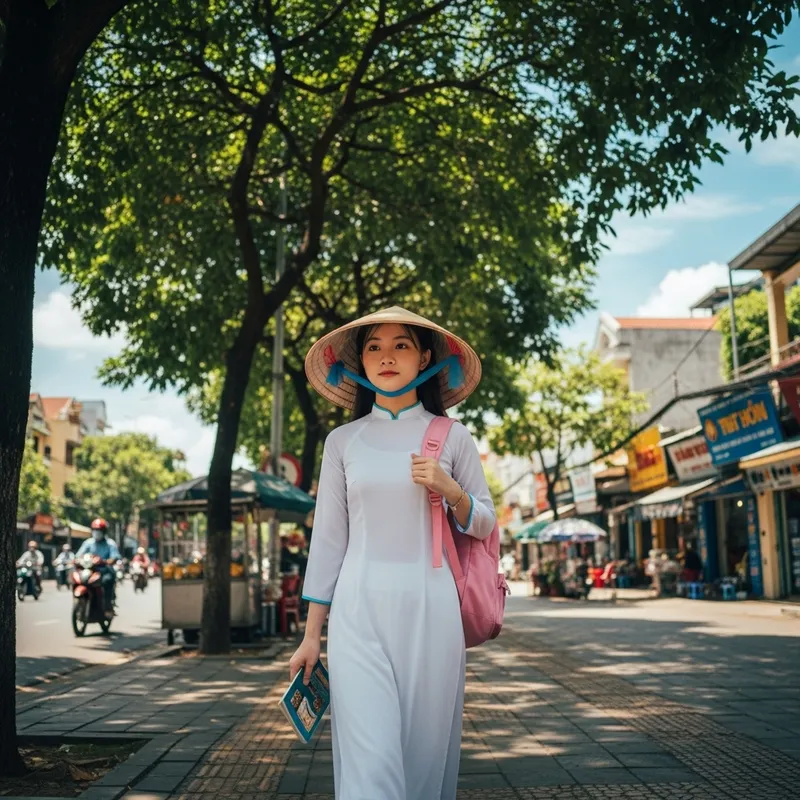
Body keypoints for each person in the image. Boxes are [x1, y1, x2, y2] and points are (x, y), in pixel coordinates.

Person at [289, 307, 495, 800]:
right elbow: (329, 541)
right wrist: (311, 636)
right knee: (371, 763)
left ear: (425, 356)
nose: (386, 356)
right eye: (374, 347)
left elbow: (485, 522)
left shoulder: (453, 436)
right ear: (359, 362)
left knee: (424, 761)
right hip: (358, 612)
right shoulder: (342, 441)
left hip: (432, 607)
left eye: (401, 344)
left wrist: (450, 489)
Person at [75, 518, 121, 616]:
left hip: (104, 570)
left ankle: (107, 607)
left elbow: (114, 557)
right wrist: (76, 560)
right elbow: (79, 555)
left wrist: (106, 561)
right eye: (95, 530)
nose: (97, 532)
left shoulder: (110, 543)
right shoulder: (88, 543)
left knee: (106, 582)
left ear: (104, 531)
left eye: (99, 530)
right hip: (89, 570)